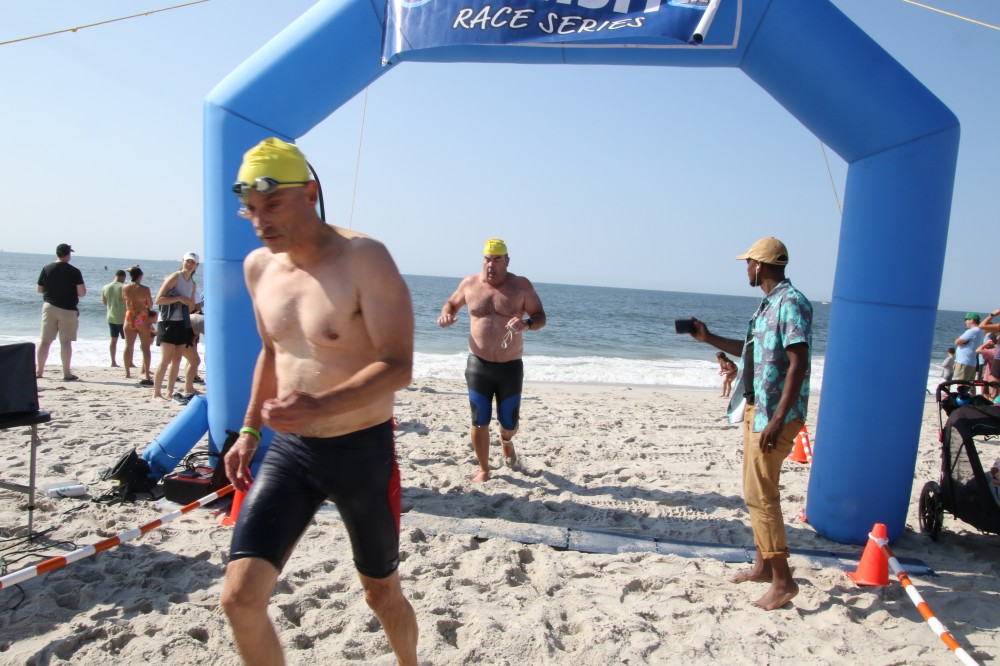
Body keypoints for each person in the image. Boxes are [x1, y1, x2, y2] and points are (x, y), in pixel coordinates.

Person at [219, 137, 418, 666]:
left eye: (273, 204)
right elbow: (271, 351)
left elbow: (399, 365)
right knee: (239, 599)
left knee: (381, 595)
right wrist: (249, 431)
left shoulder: (364, 259)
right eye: (251, 209)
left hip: (361, 453)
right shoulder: (259, 267)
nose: (260, 221)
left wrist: (321, 406)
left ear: (310, 194)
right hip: (291, 452)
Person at [685, 236, 811, 611]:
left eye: (748, 263)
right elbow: (752, 352)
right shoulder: (768, 304)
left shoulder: (791, 303)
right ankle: (763, 567)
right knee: (754, 492)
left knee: (762, 495)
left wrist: (778, 418)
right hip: (757, 408)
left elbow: (799, 362)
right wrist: (708, 338)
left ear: (761, 264)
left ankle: (784, 581)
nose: (746, 269)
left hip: (774, 413)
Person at [438, 238, 547, 482]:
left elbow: (540, 317)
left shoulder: (521, 286)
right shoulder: (470, 284)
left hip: (510, 367)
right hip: (479, 364)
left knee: (509, 424)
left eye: (497, 259)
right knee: (479, 420)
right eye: (487, 259)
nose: (491, 264)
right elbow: (451, 304)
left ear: (507, 261)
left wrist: (526, 323)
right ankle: (484, 469)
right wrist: (446, 315)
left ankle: (506, 440)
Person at [152, 252, 201, 402]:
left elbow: (191, 306)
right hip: (167, 321)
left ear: (196, 266)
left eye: (192, 262)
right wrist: (179, 298)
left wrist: (190, 304)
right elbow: (158, 299)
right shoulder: (175, 277)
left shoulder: (192, 284)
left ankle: (169, 392)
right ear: (183, 261)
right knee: (165, 359)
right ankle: (156, 394)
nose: (189, 264)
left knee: (177, 360)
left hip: (182, 322)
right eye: (187, 261)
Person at [36, 243, 86, 381]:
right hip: (68, 309)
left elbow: (39, 289)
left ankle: (39, 372)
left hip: (49, 306)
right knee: (65, 342)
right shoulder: (74, 271)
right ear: (68, 254)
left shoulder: (47, 268)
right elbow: (82, 292)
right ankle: (66, 374)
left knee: (45, 341)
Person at [122, 265, 154, 384]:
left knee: (128, 346)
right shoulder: (145, 289)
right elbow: (150, 304)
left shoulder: (124, 287)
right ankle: (146, 373)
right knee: (145, 347)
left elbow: (124, 300)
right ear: (141, 276)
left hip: (129, 315)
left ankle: (127, 373)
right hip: (141, 317)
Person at [101, 269, 127, 367]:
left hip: (111, 317)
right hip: (123, 318)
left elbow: (104, 302)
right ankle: (129, 362)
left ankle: (113, 362)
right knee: (128, 342)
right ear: (123, 277)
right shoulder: (124, 287)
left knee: (113, 340)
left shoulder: (105, 287)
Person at [953, 312, 985, 382]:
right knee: (968, 385)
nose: (965, 322)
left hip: (964, 362)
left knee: (960, 384)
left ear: (972, 320)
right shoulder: (980, 331)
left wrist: (959, 340)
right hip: (971, 362)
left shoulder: (972, 331)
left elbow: (957, 342)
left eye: (966, 319)